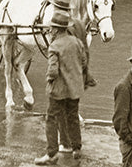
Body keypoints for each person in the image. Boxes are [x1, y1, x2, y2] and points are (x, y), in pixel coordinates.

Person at [35, 9, 87, 164]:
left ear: (56, 29)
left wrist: (49, 81)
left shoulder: (54, 46)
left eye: (51, 27)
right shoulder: (77, 42)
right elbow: (84, 62)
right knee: (73, 117)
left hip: (58, 90)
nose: (50, 30)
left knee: (51, 118)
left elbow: (52, 70)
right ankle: (76, 148)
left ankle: (52, 153)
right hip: (75, 89)